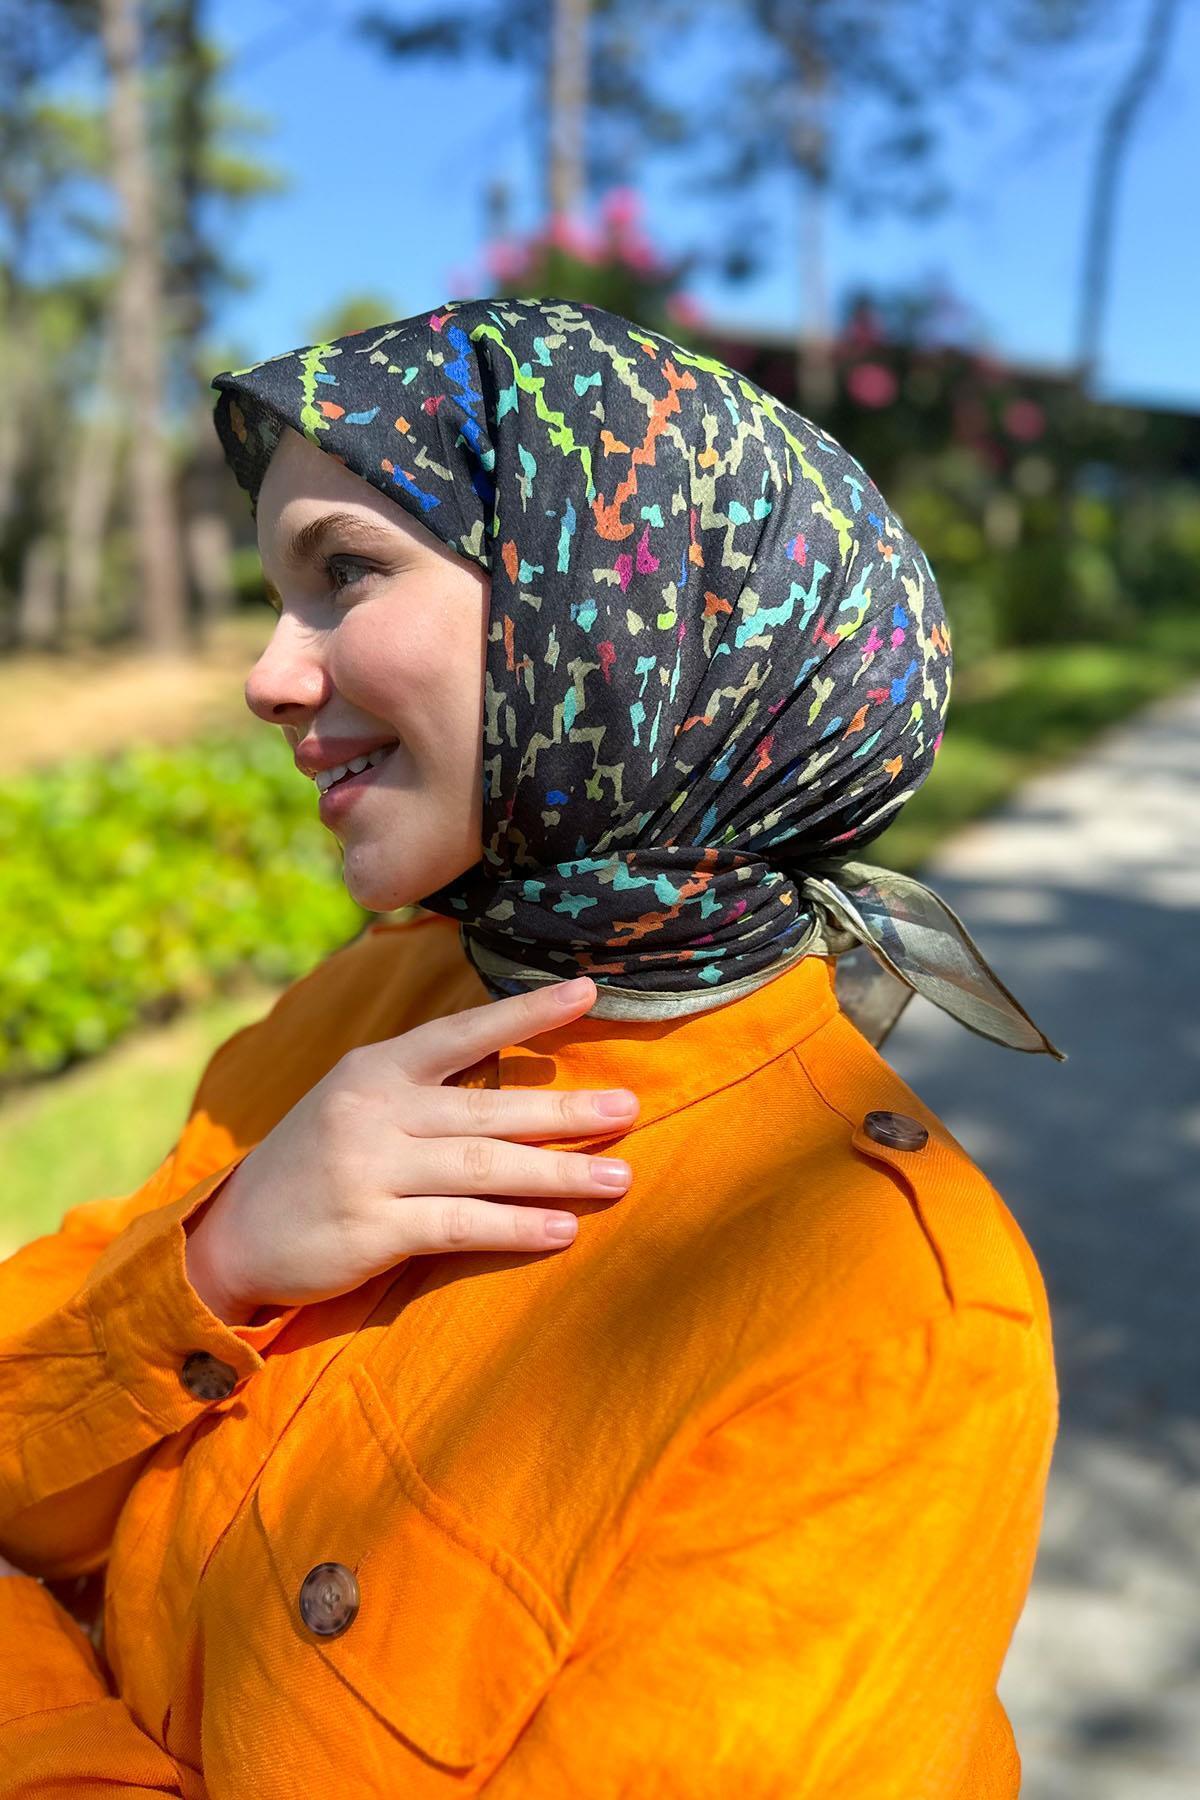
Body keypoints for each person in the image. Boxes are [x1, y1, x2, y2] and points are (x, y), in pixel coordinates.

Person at [0, 295, 1064, 1797]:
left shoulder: (890, 1322)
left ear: (620, 609)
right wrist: (218, 1261)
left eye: (344, 572)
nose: (267, 677)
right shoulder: (359, 1005)